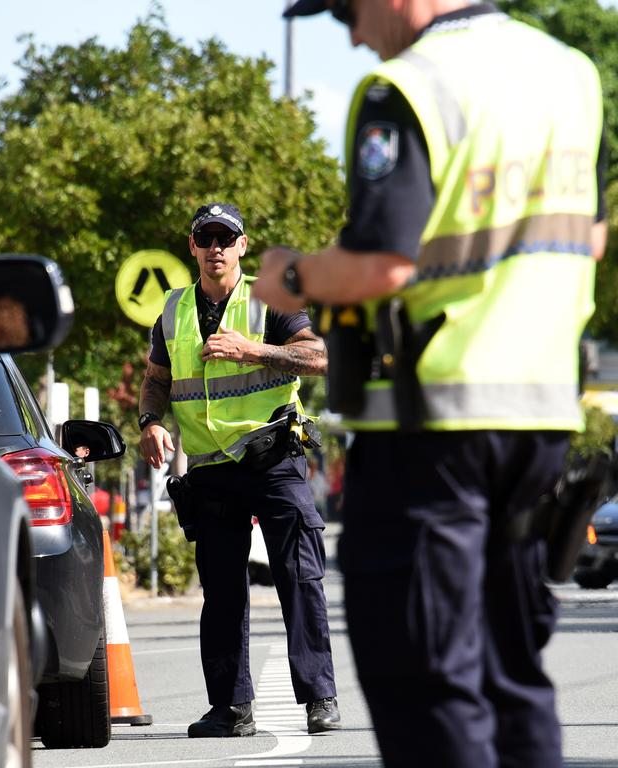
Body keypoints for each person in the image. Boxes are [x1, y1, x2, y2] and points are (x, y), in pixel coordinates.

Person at [254, 2, 607, 766]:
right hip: (539, 425)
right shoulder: (569, 75)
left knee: (425, 684)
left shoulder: (409, 87)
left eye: (346, 9)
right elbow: (594, 231)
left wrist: (291, 274)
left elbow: (384, 262)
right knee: (510, 676)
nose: (350, 32)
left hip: (430, 435)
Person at [139, 202, 340, 737]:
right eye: (206, 238)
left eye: (226, 238)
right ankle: (231, 708)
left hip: (272, 456)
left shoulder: (270, 298)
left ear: (243, 246)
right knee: (222, 591)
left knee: (299, 576)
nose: (216, 248)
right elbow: (157, 378)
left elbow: (319, 357)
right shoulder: (174, 310)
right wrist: (149, 422)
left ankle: (320, 697)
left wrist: (253, 351)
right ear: (193, 248)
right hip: (210, 469)